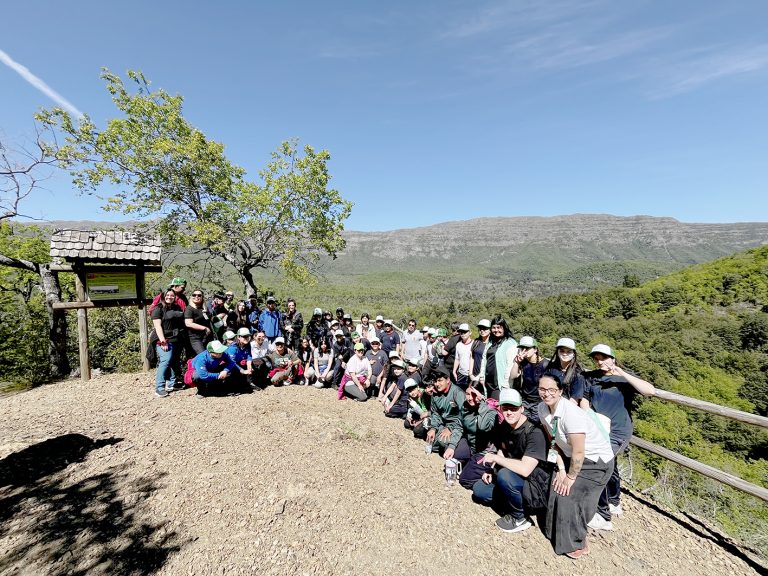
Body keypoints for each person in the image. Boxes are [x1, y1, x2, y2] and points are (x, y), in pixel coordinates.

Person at [537, 373, 614, 559]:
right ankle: (554, 532)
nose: (546, 394)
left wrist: (570, 477)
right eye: (542, 389)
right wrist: (561, 470)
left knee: (568, 494)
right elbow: (553, 442)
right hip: (571, 458)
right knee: (555, 486)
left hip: (596, 462)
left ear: (561, 391)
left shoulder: (571, 414)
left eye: (552, 390)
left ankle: (577, 540)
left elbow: (580, 451)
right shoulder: (542, 409)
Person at [583, 343, 656, 529]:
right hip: (598, 429)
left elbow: (650, 391)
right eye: (597, 358)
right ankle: (614, 500)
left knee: (599, 464)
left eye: (604, 358)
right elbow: (585, 400)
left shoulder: (625, 378)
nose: (600, 362)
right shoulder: (592, 377)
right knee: (610, 465)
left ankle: (603, 515)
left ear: (613, 358)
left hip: (618, 430)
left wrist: (620, 372)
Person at [471, 388, 550, 534]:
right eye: (505, 408)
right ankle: (512, 503)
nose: (509, 412)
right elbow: (503, 450)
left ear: (522, 409)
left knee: (505, 475)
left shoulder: (534, 433)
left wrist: (495, 459)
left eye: (514, 408)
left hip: (534, 486)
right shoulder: (505, 427)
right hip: (514, 479)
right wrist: (492, 469)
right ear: (500, 408)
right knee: (479, 489)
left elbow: (525, 469)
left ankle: (520, 517)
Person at [455, 385, 498, 485]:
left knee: (464, 479)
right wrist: (452, 446)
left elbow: (483, 426)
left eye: (474, 395)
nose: (470, 398)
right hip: (472, 446)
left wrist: (482, 403)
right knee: (454, 456)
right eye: (467, 394)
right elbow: (459, 425)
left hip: (485, 452)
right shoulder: (466, 406)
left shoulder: (490, 411)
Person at [151, 288, 186, 397]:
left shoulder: (177, 307)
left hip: (176, 338)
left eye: (172, 295)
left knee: (174, 360)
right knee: (165, 360)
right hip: (164, 339)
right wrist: (163, 341)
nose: (169, 297)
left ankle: (172, 383)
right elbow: (157, 326)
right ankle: (159, 387)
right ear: (163, 296)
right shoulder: (158, 309)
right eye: (167, 295)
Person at [425, 367, 465, 460]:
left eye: (440, 380)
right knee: (428, 436)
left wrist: (450, 428)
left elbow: (464, 417)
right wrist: (433, 428)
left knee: (443, 441)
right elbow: (435, 413)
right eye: (435, 381)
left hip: (457, 426)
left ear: (448, 380)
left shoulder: (457, 393)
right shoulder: (435, 393)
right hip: (443, 424)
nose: (437, 384)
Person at [509, 336, 549, 424]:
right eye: (522, 348)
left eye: (527, 348)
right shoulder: (523, 362)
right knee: (524, 424)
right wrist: (517, 362)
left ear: (535, 350)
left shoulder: (545, 364)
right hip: (524, 400)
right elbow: (513, 376)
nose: (524, 350)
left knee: (536, 426)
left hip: (539, 402)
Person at [483, 316, 518, 400]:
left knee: (498, 409)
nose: (496, 330)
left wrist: (505, 385)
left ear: (504, 328)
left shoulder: (510, 343)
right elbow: (484, 360)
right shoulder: (490, 342)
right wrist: (481, 378)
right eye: (494, 328)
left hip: (500, 385)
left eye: (499, 328)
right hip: (488, 383)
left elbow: (510, 365)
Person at [546, 337, 586, 406]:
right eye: (562, 351)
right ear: (557, 352)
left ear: (574, 354)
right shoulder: (551, 368)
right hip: (549, 404)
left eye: (569, 351)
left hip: (567, 408)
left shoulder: (578, 373)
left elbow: (574, 399)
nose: (565, 354)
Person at [184, 289, 213, 355]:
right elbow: (188, 323)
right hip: (195, 338)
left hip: (206, 337)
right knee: (203, 355)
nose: (196, 297)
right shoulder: (189, 309)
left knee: (209, 355)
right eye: (194, 295)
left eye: (199, 295)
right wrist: (204, 328)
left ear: (202, 297)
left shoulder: (204, 309)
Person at [226, 327, 254, 392]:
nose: (247, 338)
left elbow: (249, 356)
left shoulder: (247, 345)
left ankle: (249, 383)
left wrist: (249, 367)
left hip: (240, 364)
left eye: (248, 336)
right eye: (244, 336)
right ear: (238, 337)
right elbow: (232, 362)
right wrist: (243, 371)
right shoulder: (233, 348)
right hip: (232, 366)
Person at [468, 319, 491, 389]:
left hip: (485, 378)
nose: (482, 330)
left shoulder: (492, 344)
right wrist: (470, 374)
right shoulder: (476, 342)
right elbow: (472, 357)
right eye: (480, 328)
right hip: (474, 377)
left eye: (485, 328)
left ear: (490, 330)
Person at [452, 323, 473, 390]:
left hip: (471, 375)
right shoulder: (458, 345)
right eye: (461, 332)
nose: (463, 334)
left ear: (470, 332)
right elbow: (457, 359)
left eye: (465, 332)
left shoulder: (474, 344)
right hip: (461, 374)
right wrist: (454, 371)